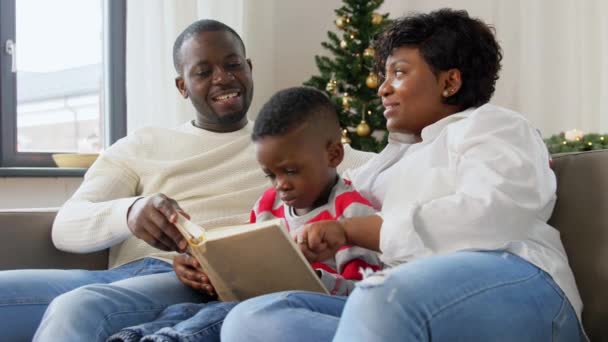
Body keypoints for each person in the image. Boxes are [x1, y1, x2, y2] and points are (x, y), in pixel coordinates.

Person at [221, 9, 585, 342]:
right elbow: (318, 210)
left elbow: (493, 214)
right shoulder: (374, 168)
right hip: (391, 307)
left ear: (450, 82)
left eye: (399, 72)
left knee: (382, 295)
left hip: (517, 283)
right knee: (252, 318)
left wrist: (353, 230)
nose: (382, 88)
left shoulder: (492, 125)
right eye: (384, 75)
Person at [0, 20, 374, 341]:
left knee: (79, 308)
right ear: (182, 86)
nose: (222, 78)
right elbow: (66, 227)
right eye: (203, 71)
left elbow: (388, 166)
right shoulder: (141, 144)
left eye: (232, 65)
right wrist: (131, 212)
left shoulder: (287, 144)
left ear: (249, 67)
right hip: (123, 274)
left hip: (195, 283)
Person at [106, 86, 381, 341]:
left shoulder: (350, 212)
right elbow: (246, 265)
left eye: (291, 171)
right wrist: (209, 271)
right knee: (190, 307)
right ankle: (137, 334)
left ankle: (173, 339)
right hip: (253, 299)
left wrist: (316, 278)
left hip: (300, 307)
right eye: (270, 175)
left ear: (333, 155)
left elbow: (361, 293)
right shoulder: (267, 205)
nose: (280, 185)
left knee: (222, 315)